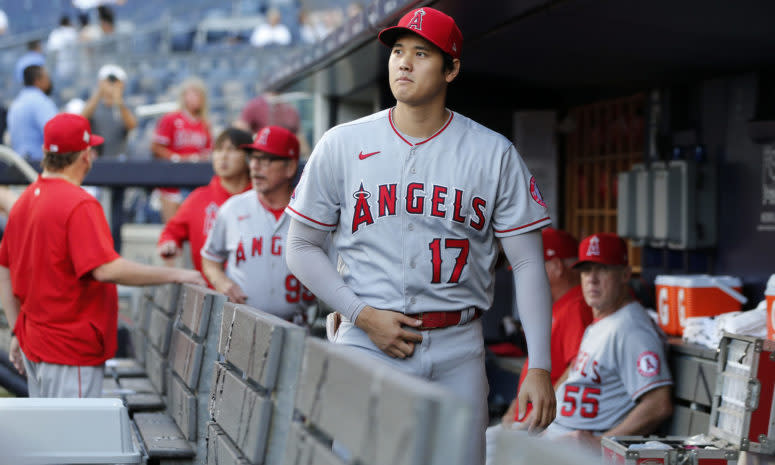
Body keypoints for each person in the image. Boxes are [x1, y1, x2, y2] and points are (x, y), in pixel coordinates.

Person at [284, 8, 555, 465]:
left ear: (451, 69)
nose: (403, 63)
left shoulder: (493, 153)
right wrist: (361, 314)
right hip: (368, 342)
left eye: (421, 53)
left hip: (458, 346)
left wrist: (541, 365)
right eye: (397, 52)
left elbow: (528, 264)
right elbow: (300, 246)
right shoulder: (342, 143)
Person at [0, 113, 206, 398]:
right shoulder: (79, 203)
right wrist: (177, 273)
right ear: (85, 155)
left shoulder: (24, 201)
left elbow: (4, 273)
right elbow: (106, 269)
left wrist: (15, 331)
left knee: (51, 439)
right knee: (75, 441)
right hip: (69, 352)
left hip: (34, 345)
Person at [545, 233, 673, 450]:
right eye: (586, 270)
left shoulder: (631, 328)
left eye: (602, 269)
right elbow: (573, 373)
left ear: (625, 275)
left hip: (576, 448)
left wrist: (599, 444)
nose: (592, 279)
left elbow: (659, 405)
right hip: (555, 434)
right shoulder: (604, 320)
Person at [484, 228, 593, 464]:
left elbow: (576, 370)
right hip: (529, 421)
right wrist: (519, 403)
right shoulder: (558, 305)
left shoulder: (576, 306)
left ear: (556, 267)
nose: (526, 275)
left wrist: (536, 413)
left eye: (536, 265)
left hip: (543, 425)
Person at [202, 126, 313, 323]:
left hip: (297, 327)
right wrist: (221, 281)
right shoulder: (232, 209)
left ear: (290, 167)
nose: (254, 166)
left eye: (266, 160)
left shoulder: (313, 212)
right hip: (240, 324)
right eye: (253, 158)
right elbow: (210, 259)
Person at [157, 128, 253, 283]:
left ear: (249, 158)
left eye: (231, 149)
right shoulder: (199, 197)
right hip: (209, 296)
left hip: (253, 296)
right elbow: (172, 231)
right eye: (218, 150)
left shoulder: (260, 198)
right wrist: (169, 243)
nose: (223, 156)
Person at [151, 77, 212, 222]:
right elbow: (156, 147)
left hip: (196, 183)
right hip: (172, 182)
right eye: (191, 93)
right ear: (183, 96)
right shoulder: (171, 119)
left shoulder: (204, 124)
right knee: (172, 228)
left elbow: (207, 152)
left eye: (198, 94)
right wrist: (177, 158)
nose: (194, 98)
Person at [82, 64, 137, 159]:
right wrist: (99, 92)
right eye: (108, 81)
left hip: (118, 159)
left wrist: (118, 100)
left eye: (115, 81)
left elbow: (132, 125)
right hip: (95, 159)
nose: (111, 84)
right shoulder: (93, 105)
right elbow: (82, 118)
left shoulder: (126, 107)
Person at [7, 64, 58, 162]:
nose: (49, 81)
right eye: (47, 77)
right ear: (37, 81)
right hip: (38, 165)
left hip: (20, 166)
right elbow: (56, 134)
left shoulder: (17, 102)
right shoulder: (40, 101)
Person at [46, 16, 79, 82]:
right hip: (73, 66)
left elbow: (51, 51)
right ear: (69, 22)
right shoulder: (72, 32)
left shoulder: (54, 34)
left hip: (60, 69)